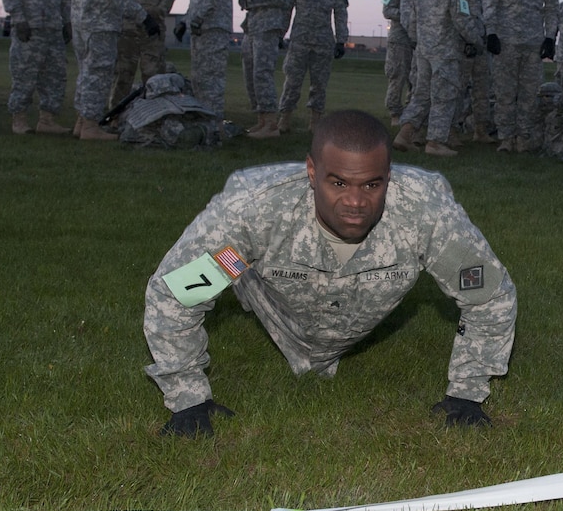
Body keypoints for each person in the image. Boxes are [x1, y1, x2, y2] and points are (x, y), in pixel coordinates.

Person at [145, 109, 517, 437]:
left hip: (357, 322)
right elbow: (176, 296)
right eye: (338, 183)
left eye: (372, 185)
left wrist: (466, 394)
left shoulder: (424, 211)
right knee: (227, 265)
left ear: (389, 175)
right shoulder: (256, 212)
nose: (355, 203)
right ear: (311, 171)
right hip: (274, 306)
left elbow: (490, 296)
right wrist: (188, 398)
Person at [70, 0, 160, 140]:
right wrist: (144, 18)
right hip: (101, 25)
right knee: (98, 74)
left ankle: (81, 121)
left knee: (85, 73)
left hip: (80, 24)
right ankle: (91, 125)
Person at [393, 0, 485, 158]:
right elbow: (462, 20)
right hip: (445, 51)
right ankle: (435, 141)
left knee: (421, 94)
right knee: (444, 95)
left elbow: (413, 17)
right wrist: (477, 41)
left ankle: (405, 134)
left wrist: (418, 39)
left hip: (424, 50)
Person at [482, 0, 560, 154]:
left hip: (533, 44)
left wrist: (550, 37)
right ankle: (506, 138)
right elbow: (490, 4)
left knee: (529, 94)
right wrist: (491, 33)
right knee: (504, 93)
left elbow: (552, 9)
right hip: (505, 43)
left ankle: (524, 138)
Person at [2, 0, 71, 136]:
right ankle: (19, 119)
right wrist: (19, 18)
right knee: (24, 74)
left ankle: (47, 120)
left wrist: (67, 21)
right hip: (28, 29)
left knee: (55, 76)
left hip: (53, 29)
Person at [276, 0, 349, 134]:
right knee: (292, 81)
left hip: (323, 44)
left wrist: (341, 40)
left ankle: (315, 121)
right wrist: (280, 34)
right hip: (299, 41)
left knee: (319, 85)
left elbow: (340, 14)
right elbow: (286, 11)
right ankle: (285, 118)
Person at [174, 0, 231, 145]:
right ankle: (204, 127)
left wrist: (194, 19)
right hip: (201, 28)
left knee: (212, 80)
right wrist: (185, 21)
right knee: (199, 79)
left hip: (212, 28)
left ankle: (215, 130)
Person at [236, 0, 292, 139]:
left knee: (262, 72)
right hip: (252, 23)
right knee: (249, 71)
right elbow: (245, 2)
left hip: (268, 24)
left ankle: (271, 123)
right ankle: (260, 119)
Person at [382, 0, 425, 126]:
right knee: (397, 76)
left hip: (419, 41)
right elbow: (387, 10)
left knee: (416, 79)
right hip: (400, 40)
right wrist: (408, 16)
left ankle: (410, 112)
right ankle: (395, 112)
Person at [461, 0, 493, 142]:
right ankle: (453, 129)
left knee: (482, 90)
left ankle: (480, 130)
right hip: (464, 46)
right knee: (458, 90)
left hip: (481, 48)